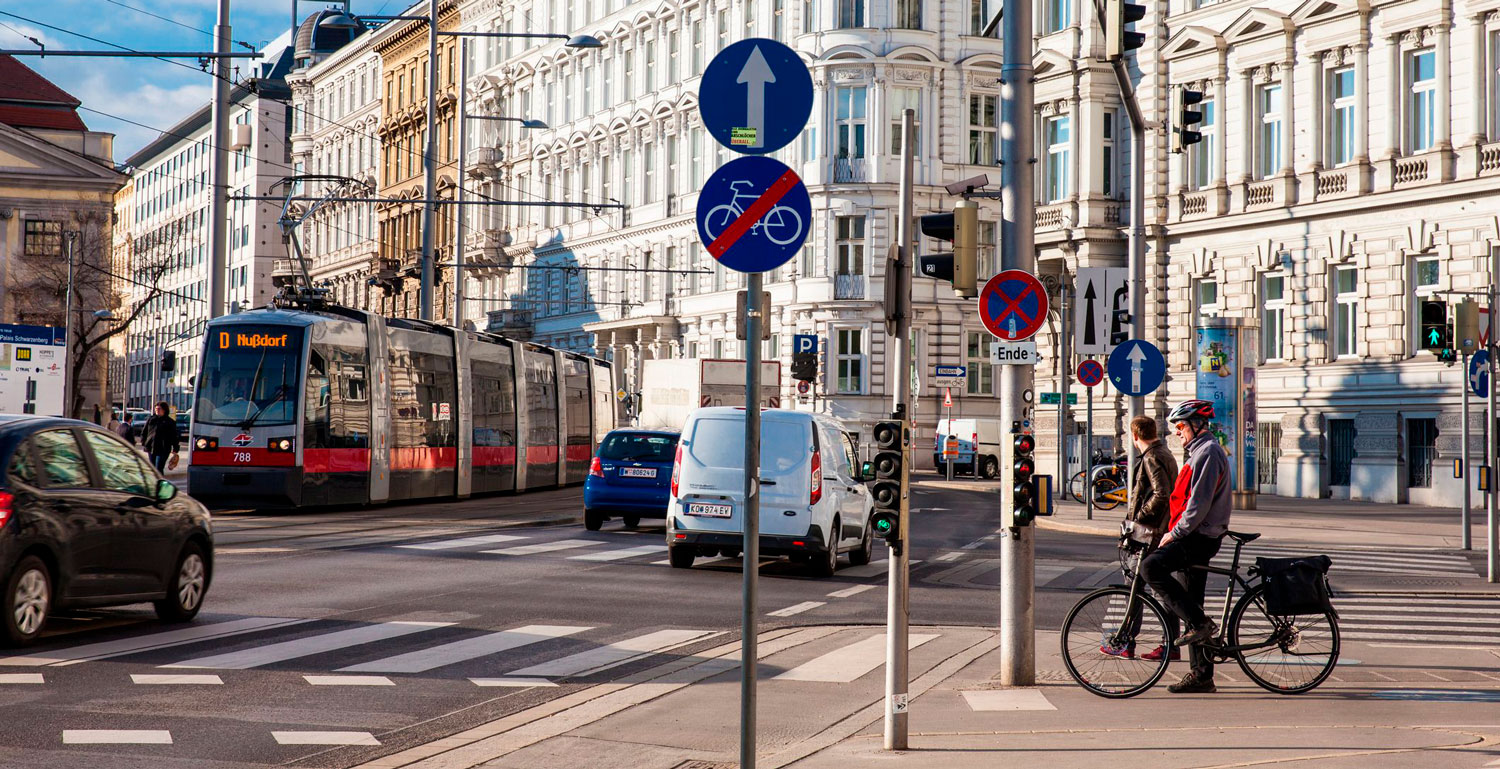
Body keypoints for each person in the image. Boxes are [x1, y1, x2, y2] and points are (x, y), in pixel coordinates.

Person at [1141, 399, 1232, 694]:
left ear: (1197, 425)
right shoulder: (1198, 453)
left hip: (1199, 537)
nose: (1177, 433)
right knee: (1193, 599)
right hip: (1195, 534)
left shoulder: (1208, 453)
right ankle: (1202, 675)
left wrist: (1174, 534)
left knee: (1151, 567)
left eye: (1180, 426)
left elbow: (1199, 504)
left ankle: (1199, 623)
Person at [1101, 415, 1181, 662]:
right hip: (1159, 529)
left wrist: (1138, 518)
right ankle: (1170, 644)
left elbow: (1161, 494)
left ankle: (1127, 642)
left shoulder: (1152, 457)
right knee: (1156, 588)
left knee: (1134, 586)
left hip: (1148, 532)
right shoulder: (1164, 453)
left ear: (1135, 436)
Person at [142, 401, 180, 473]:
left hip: (163, 448)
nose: (157, 410)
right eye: (156, 409)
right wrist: (144, 442)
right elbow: (144, 432)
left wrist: (176, 448)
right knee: (152, 469)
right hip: (151, 447)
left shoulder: (169, 422)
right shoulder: (151, 419)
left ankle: (159, 482)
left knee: (159, 468)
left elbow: (174, 436)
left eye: (159, 409)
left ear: (164, 410)